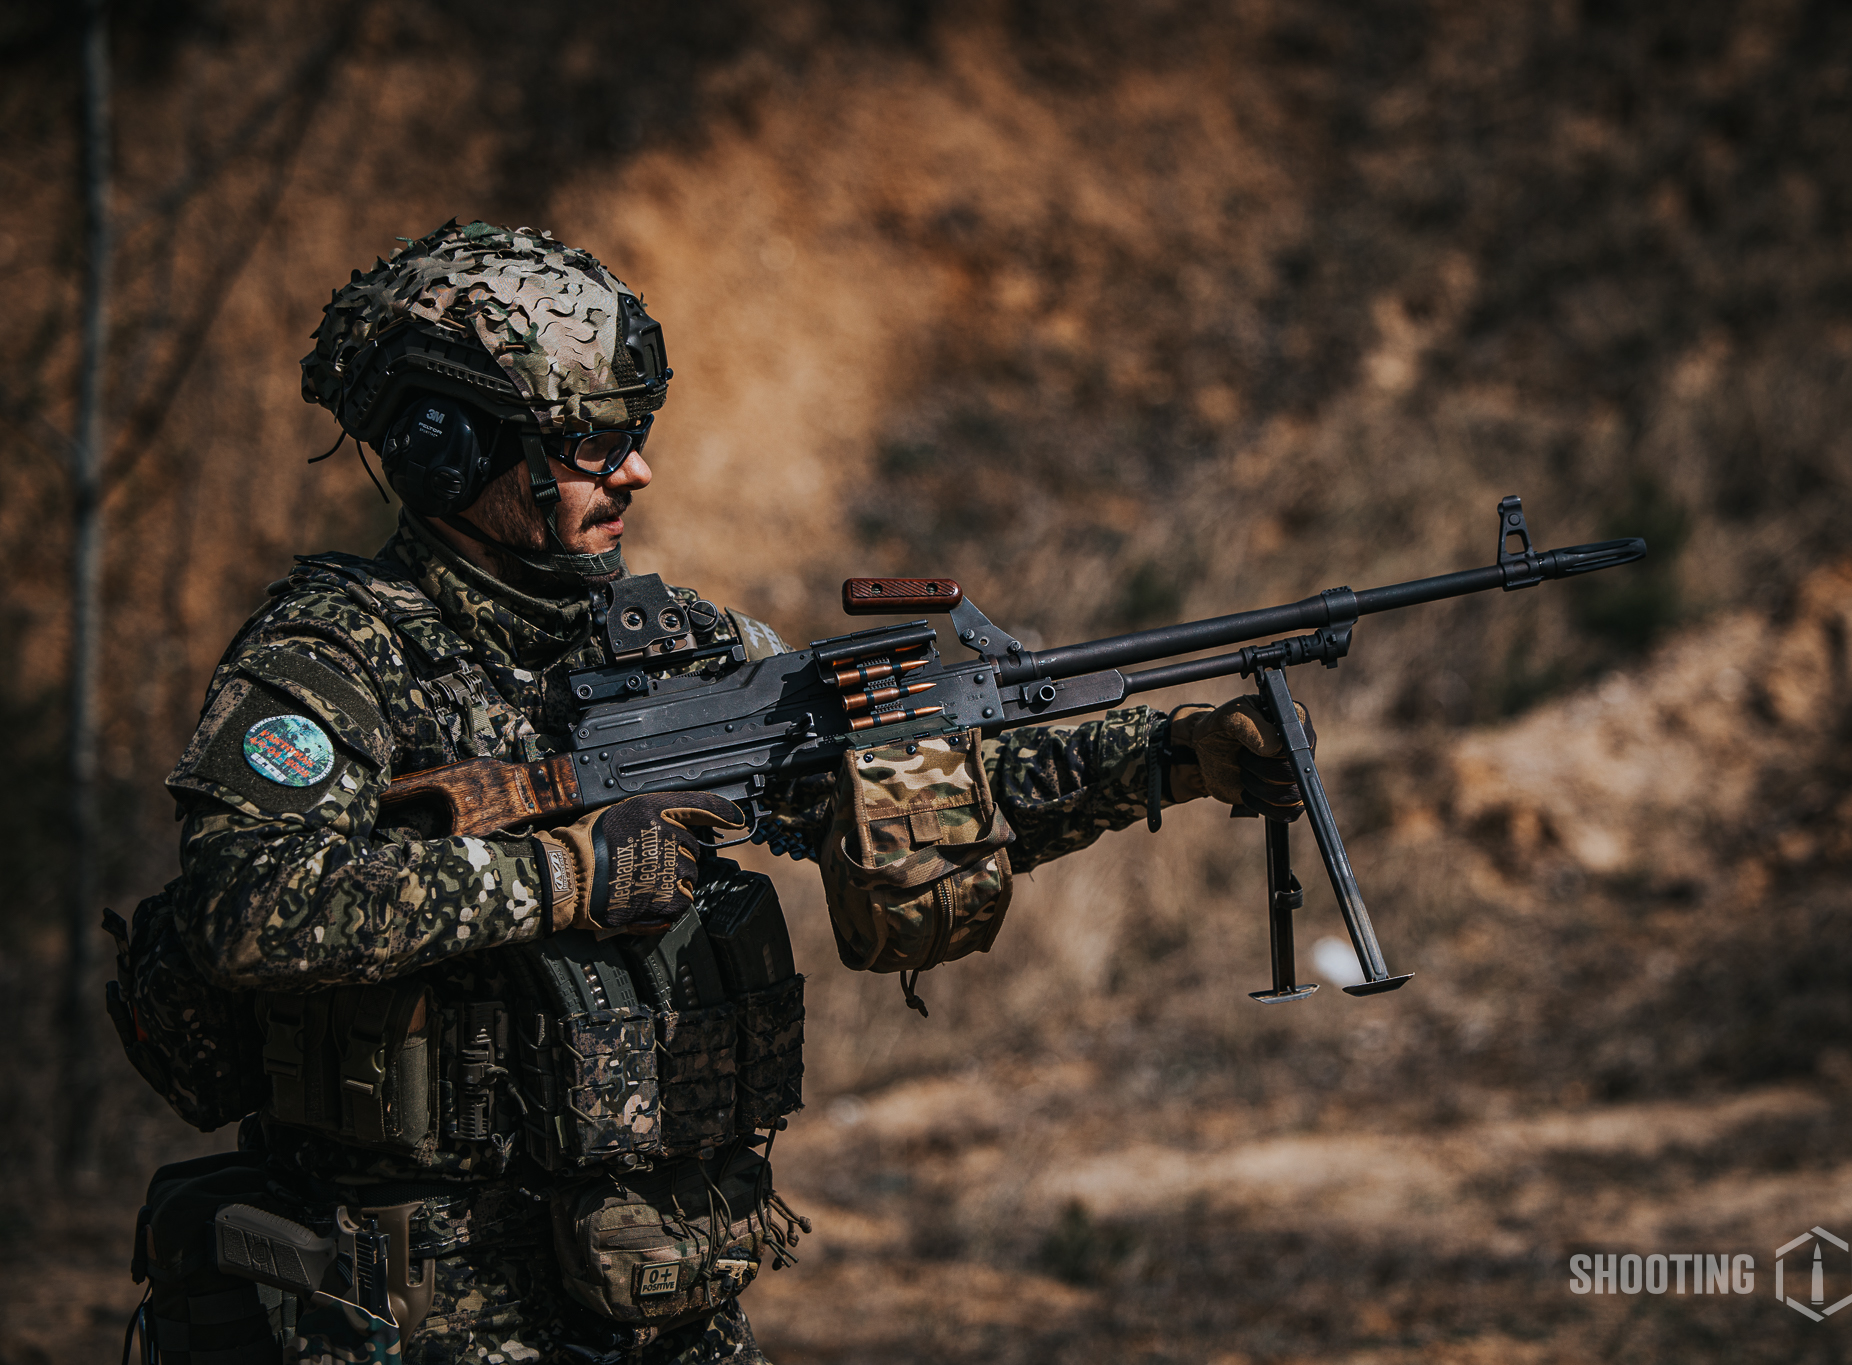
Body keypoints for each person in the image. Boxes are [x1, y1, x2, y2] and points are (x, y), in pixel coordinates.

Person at [133, 220, 1312, 1365]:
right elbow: (250, 908)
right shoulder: (333, 658)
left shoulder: (679, 646)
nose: (635, 467)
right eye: (591, 440)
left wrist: (1173, 756)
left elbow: (924, 774)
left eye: (633, 429)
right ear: (449, 445)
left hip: (663, 1288)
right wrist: (564, 875)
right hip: (412, 1312)